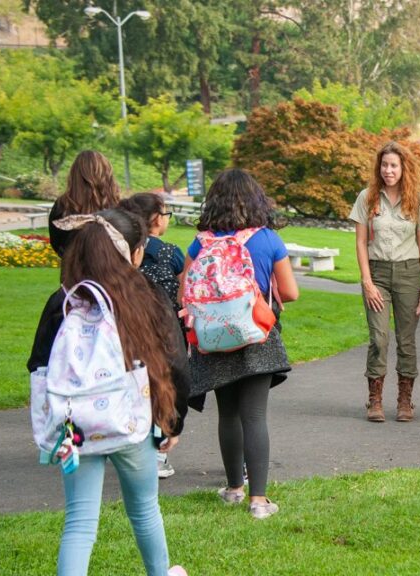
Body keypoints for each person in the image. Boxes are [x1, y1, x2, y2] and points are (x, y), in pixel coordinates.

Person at [29, 209, 189, 576]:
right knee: (145, 508)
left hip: (75, 429)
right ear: (134, 253)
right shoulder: (145, 298)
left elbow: (38, 364)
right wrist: (172, 423)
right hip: (131, 421)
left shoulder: (63, 301)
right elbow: (176, 364)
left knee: (80, 521)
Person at [183, 169, 299, 519]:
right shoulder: (267, 240)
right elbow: (291, 292)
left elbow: (184, 294)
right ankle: (259, 501)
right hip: (256, 337)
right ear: (256, 199)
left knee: (228, 416)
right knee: (254, 416)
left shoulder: (201, 243)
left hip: (214, 338)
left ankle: (234, 489)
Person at [350, 141, 420, 423]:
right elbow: (361, 242)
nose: (388, 170)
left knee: (406, 340)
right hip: (377, 274)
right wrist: (367, 281)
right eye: (384, 165)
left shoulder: (418, 199)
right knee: (378, 337)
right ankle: (374, 400)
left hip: (409, 274)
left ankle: (404, 400)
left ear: (403, 168)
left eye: (394, 166)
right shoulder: (367, 197)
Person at [120, 192, 186, 479]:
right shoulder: (170, 253)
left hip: (130, 330)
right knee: (162, 388)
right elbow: (184, 291)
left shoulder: (121, 250)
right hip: (164, 331)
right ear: (158, 219)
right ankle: (159, 452)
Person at [48, 151, 121, 258]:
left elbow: (56, 242)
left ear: (74, 174)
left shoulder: (63, 205)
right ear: (107, 173)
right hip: (111, 269)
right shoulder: (118, 206)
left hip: (73, 269)